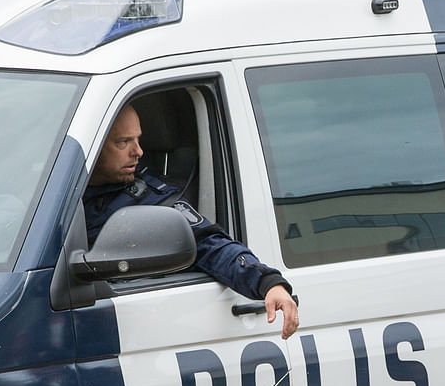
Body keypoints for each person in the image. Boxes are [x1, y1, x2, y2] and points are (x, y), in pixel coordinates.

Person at [84, 104, 300, 339]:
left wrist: (268, 283)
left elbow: (211, 245)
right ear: (93, 147)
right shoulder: (52, 194)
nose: (138, 151)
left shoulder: (155, 203)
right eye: (123, 142)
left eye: (138, 139)